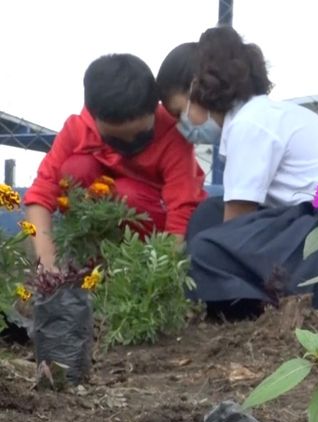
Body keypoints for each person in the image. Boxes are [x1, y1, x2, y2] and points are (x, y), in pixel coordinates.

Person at [156, 26, 318, 320]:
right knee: (208, 215)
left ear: (196, 90)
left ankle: (248, 314)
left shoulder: (249, 124)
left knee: (206, 250)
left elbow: (235, 226)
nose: (181, 124)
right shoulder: (260, 113)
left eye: (179, 112)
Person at [24, 54, 207, 270]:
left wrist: (163, 272)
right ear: (93, 117)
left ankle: (137, 268)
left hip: (157, 236)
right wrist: (46, 262)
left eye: (141, 136)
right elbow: (41, 194)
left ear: (155, 108)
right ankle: (91, 264)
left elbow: (182, 207)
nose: (130, 144)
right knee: (76, 169)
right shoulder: (78, 130)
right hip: (101, 232)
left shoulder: (172, 133)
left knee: (126, 192)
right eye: (115, 139)